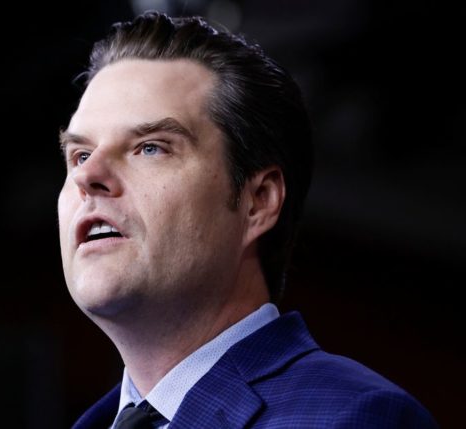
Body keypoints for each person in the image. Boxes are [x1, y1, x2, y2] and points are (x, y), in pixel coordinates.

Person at [57, 11, 437, 429]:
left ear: (258, 201)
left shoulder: (352, 418)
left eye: (150, 148)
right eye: (80, 154)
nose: (88, 176)